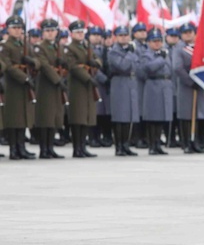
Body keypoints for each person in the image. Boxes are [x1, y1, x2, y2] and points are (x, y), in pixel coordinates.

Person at [0, 15, 39, 159]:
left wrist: (32, 62)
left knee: (23, 117)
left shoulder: (24, 45)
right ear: (8, 29)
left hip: (24, 86)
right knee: (13, 118)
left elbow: (37, 59)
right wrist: (25, 78)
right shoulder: (5, 45)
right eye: (14, 28)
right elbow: (8, 67)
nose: (17, 31)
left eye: (19, 28)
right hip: (13, 85)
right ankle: (13, 149)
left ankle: (21, 147)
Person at [64, 21, 102, 158]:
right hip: (77, 85)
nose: (80, 34)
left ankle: (83, 146)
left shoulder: (87, 46)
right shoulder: (70, 48)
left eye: (82, 32)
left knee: (86, 117)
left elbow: (98, 59)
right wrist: (88, 77)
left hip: (87, 86)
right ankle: (77, 148)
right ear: (72, 34)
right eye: (77, 32)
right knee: (77, 118)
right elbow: (73, 67)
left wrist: (95, 64)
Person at [33, 19, 66, 159]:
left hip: (56, 85)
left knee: (54, 117)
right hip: (46, 85)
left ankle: (50, 147)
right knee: (45, 118)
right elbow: (45, 66)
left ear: (57, 32)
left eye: (52, 30)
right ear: (43, 32)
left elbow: (65, 63)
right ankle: (43, 149)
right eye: (47, 31)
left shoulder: (58, 47)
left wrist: (62, 64)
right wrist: (58, 80)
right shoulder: (40, 47)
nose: (50, 33)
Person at [173, 23, 204, 153]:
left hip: (200, 86)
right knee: (186, 115)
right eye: (185, 32)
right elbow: (177, 67)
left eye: (190, 32)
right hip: (186, 86)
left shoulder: (200, 47)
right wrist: (190, 81)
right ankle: (186, 143)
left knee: (199, 114)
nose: (188, 34)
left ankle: (197, 142)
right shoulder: (179, 48)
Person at [108, 26, 140, 156]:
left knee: (128, 116)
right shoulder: (113, 51)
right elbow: (122, 66)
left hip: (130, 82)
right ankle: (119, 146)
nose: (124, 38)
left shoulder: (131, 51)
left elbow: (137, 65)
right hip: (119, 82)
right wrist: (129, 54)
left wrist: (131, 54)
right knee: (120, 116)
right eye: (121, 35)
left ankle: (126, 144)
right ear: (116, 37)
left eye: (126, 35)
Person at [141, 28, 173, 155]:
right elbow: (149, 68)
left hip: (164, 86)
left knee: (160, 118)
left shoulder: (164, 53)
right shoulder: (146, 54)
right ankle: (152, 145)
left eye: (159, 41)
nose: (157, 43)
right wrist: (161, 59)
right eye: (154, 41)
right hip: (153, 86)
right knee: (152, 118)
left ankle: (158, 143)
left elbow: (170, 69)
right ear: (149, 42)